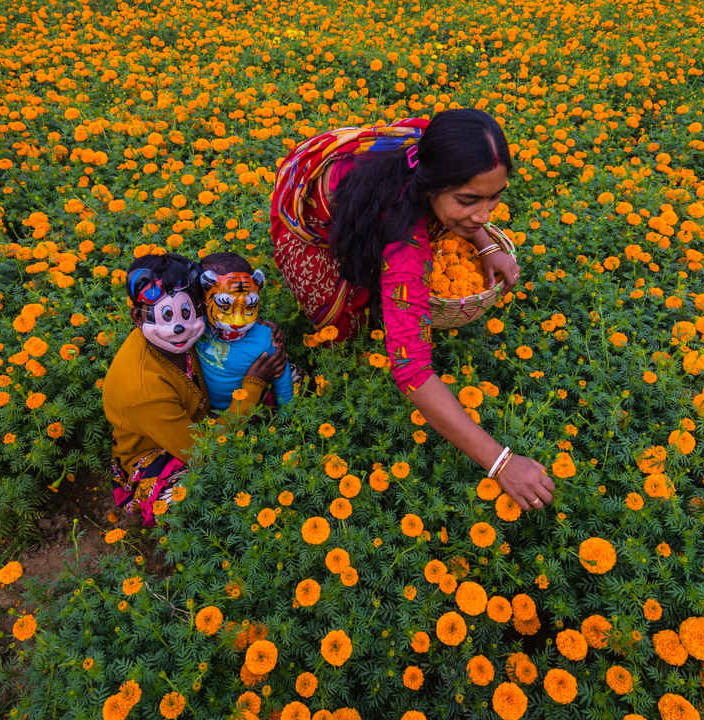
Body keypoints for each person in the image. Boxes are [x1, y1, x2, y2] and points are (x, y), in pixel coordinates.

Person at [270, 108, 555, 511]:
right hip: (310, 211)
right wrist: (500, 462)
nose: (485, 214)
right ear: (430, 184)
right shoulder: (404, 238)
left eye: (495, 197)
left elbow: (467, 202)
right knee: (339, 314)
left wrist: (486, 243)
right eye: (469, 200)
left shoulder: (431, 143)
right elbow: (413, 370)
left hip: (365, 186)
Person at [102, 252, 287, 525]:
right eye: (166, 316)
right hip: (157, 450)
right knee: (189, 498)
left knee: (282, 372)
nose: (179, 328)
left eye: (188, 312)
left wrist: (258, 331)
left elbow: (225, 312)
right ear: (137, 318)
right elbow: (200, 451)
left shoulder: (179, 338)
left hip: (199, 418)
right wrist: (252, 387)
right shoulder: (143, 388)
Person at [196, 252, 294, 411]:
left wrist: (288, 416)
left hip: (251, 411)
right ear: (203, 298)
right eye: (225, 307)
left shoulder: (267, 338)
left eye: (248, 306)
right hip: (207, 412)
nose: (238, 322)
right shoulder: (197, 327)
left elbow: (283, 380)